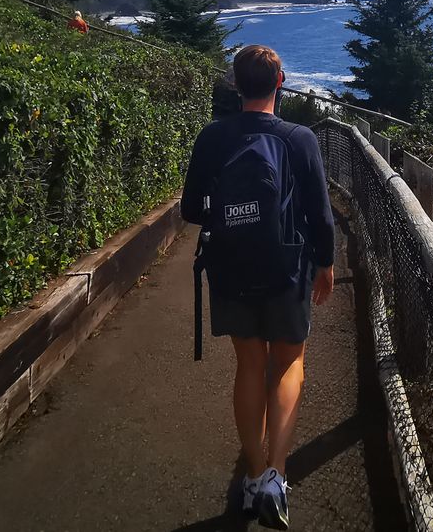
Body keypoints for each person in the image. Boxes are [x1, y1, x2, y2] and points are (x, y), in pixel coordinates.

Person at [182, 45, 334, 530]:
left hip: (230, 268)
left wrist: (231, 219)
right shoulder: (299, 138)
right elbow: (320, 213)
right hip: (288, 268)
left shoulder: (213, 137)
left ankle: (252, 476)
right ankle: (276, 476)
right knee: (287, 363)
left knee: (249, 365)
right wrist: (326, 264)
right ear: (280, 82)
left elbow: (190, 209)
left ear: (235, 84)